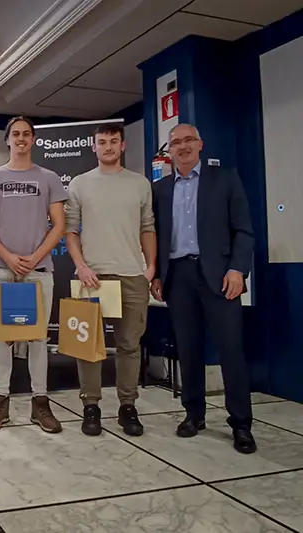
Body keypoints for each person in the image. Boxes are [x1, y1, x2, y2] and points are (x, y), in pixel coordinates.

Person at [151, 123, 256, 454]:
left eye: (188, 140)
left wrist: (238, 268)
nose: (182, 146)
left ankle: (241, 423)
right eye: (175, 142)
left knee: (231, 351)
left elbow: (244, 230)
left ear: (200, 144)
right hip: (178, 276)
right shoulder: (161, 189)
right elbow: (154, 234)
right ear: (169, 151)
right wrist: (155, 274)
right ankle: (193, 414)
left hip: (220, 275)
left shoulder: (224, 180)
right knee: (189, 350)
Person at [0, 116, 67, 433]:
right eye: (16, 134)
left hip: (39, 272)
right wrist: (9, 257)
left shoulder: (49, 177)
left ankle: (40, 404)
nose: (21, 138)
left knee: (39, 339)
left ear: (34, 140)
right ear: (8, 139)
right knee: (4, 339)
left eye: (27, 134)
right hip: (1, 270)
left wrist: (34, 257)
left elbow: (59, 225)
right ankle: (0, 403)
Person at [65, 122, 156, 437]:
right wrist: (80, 265)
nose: (107, 147)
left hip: (132, 274)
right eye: (102, 142)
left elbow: (148, 227)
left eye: (113, 141)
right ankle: (91, 405)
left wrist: (151, 267)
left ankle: (127, 406)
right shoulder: (79, 184)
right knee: (87, 345)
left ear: (122, 145)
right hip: (92, 276)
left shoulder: (140, 184)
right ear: (94, 146)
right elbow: (71, 231)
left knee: (130, 345)